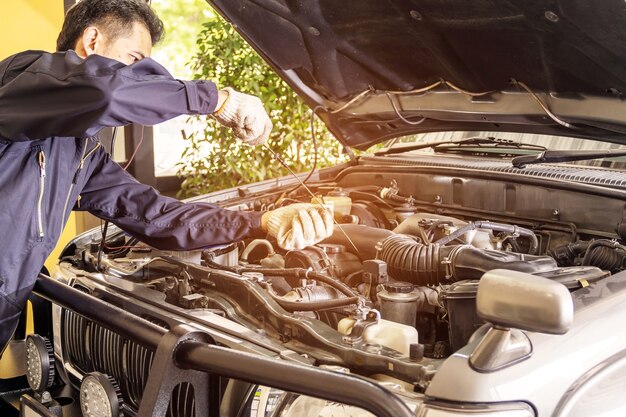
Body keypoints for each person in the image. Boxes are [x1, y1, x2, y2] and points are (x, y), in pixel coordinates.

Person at [0, 0, 333, 351]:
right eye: (134, 62)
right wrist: (215, 100)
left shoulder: (82, 156)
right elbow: (107, 92)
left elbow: (156, 217)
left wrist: (260, 222)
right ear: (93, 42)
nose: (139, 79)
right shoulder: (21, 79)